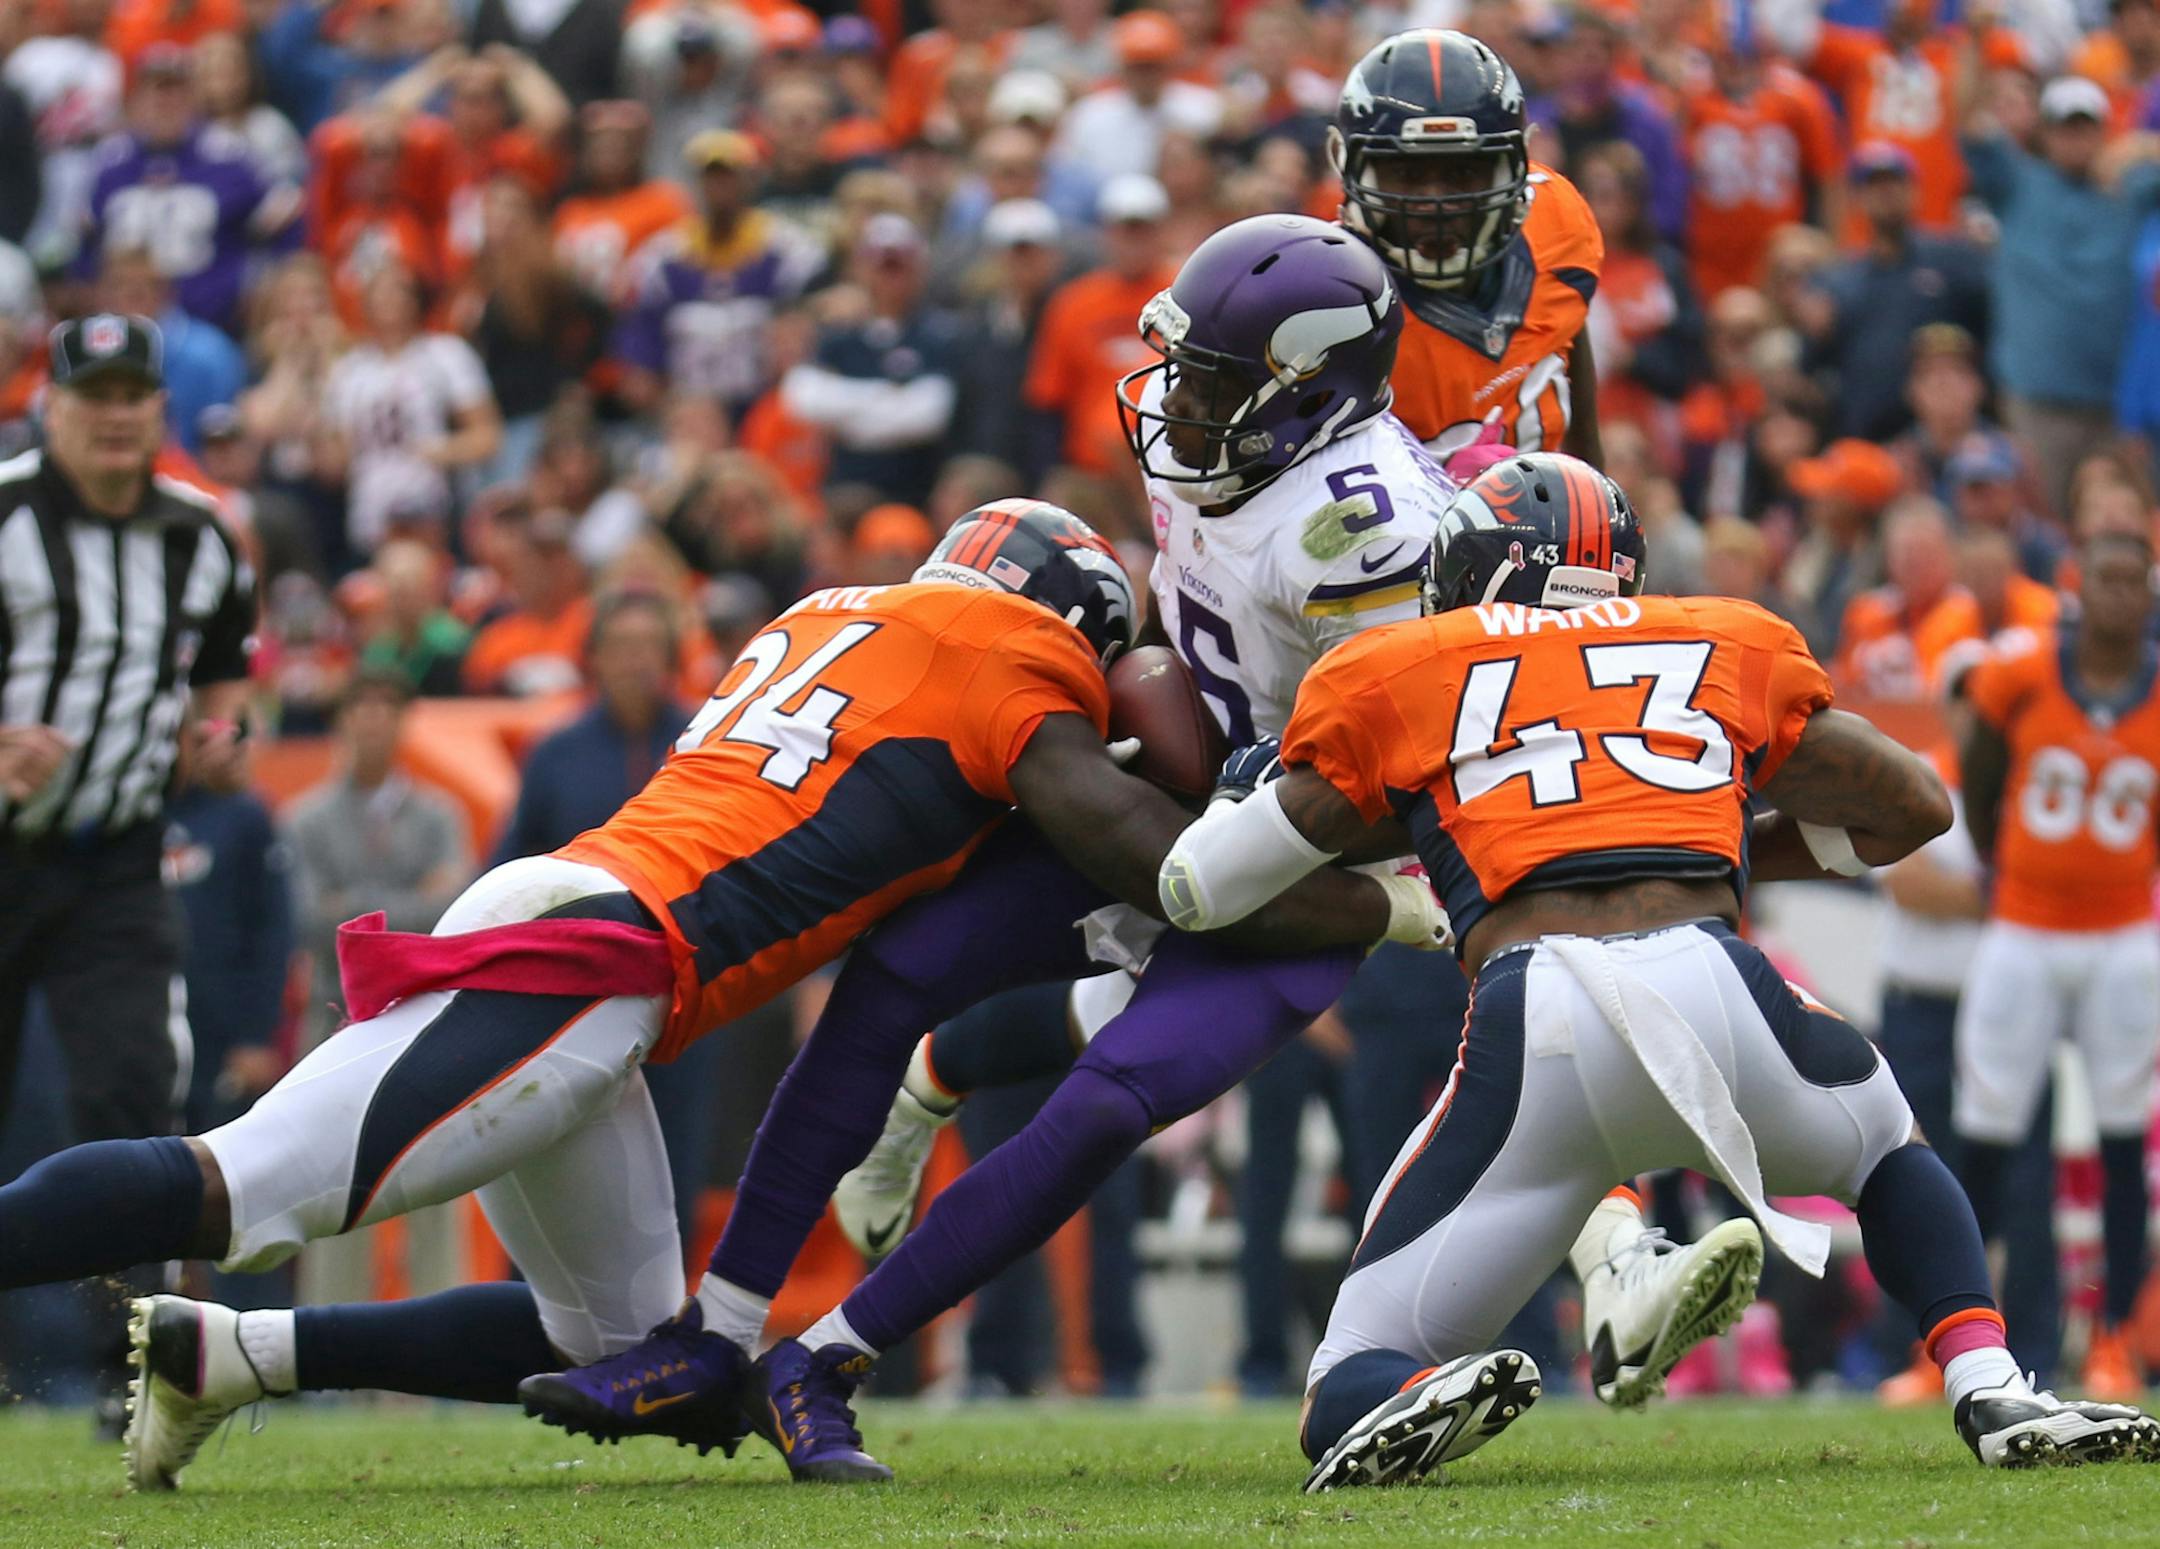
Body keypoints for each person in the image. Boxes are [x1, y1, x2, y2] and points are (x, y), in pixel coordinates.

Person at [531, 219, 1755, 1480]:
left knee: (1113, 1097)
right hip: (1169, 787)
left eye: (1217, 377)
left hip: (1308, 855)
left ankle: (825, 1357)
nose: (1181, 398)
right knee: (900, 966)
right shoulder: (1214, 452)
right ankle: (719, 1329)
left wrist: (1337, 849)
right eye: (1189, 364)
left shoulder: (1370, 532)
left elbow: (1430, 740)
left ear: (1310, 391)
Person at [0, 498, 1431, 1490]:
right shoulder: (1013, 661)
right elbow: (1145, 855)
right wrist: (1369, 899)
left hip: (589, 938)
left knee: (615, 1344)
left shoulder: (829, 614)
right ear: (1073, 623)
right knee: (237, 1194)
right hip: (590, 966)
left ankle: (232, 1357)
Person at [1160, 450, 2158, 1480]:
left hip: (1537, 1010)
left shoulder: (1412, 664)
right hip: (1718, 982)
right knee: (1886, 1147)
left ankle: (1414, 1387)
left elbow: (1201, 890)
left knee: (1347, 1372)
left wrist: (1255, 802)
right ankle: (1988, 1380)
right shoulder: (1714, 637)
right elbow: (1913, 805)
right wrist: (1718, 846)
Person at [0, 314, 254, 1429]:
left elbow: (230, 668)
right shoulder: (4, 515)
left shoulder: (201, 535)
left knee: (133, 1100)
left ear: (160, 409)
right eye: (90, 393)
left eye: (131, 395)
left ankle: (135, 1361)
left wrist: (217, 732)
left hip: (117, 861)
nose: (112, 414)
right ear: (49, 405)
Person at [1954, 531, 2160, 1400]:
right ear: (2079, 590)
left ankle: (2112, 1334)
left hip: (2121, 933)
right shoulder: (2024, 671)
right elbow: (1980, 771)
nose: (2118, 595)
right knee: (1986, 1130)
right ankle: (1962, 1331)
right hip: (2024, 929)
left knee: (2121, 1140)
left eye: (2132, 580)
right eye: (2103, 579)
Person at [283, 668, 473, 1310]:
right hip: (336, 1024)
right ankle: (330, 1363)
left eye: (384, 707)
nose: (371, 721)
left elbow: (453, 913)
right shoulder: (304, 818)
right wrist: (407, 905)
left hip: (425, 1021)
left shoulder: (440, 814)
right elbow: (308, 919)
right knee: (332, 1194)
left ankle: (443, 1359)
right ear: (340, 722)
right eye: (358, 707)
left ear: (402, 721)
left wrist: (357, 908)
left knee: (436, 1190)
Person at [1331, 30, 1604, 466]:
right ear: (1347, 165)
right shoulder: (1334, 306)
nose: (1435, 202)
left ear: (1513, 168)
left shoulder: (1557, 224)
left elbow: (1574, 368)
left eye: (1464, 171)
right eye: (1405, 173)